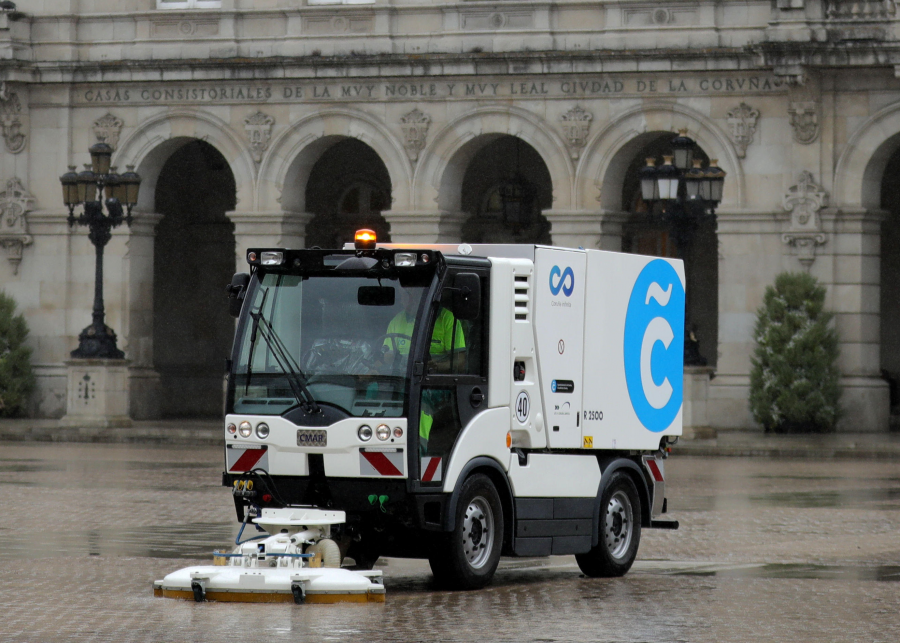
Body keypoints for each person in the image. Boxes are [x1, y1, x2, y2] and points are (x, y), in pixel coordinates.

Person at [379, 287, 466, 455]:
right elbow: (386, 355)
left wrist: (435, 366)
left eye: (409, 295)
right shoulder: (396, 321)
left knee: (420, 399)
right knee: (372, 390)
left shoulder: (447, 319)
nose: (404, 300)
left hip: (436, 382)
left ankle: (418, 450)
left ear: (422, 295)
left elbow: (460, 362)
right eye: (403, 295)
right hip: (402, 378)